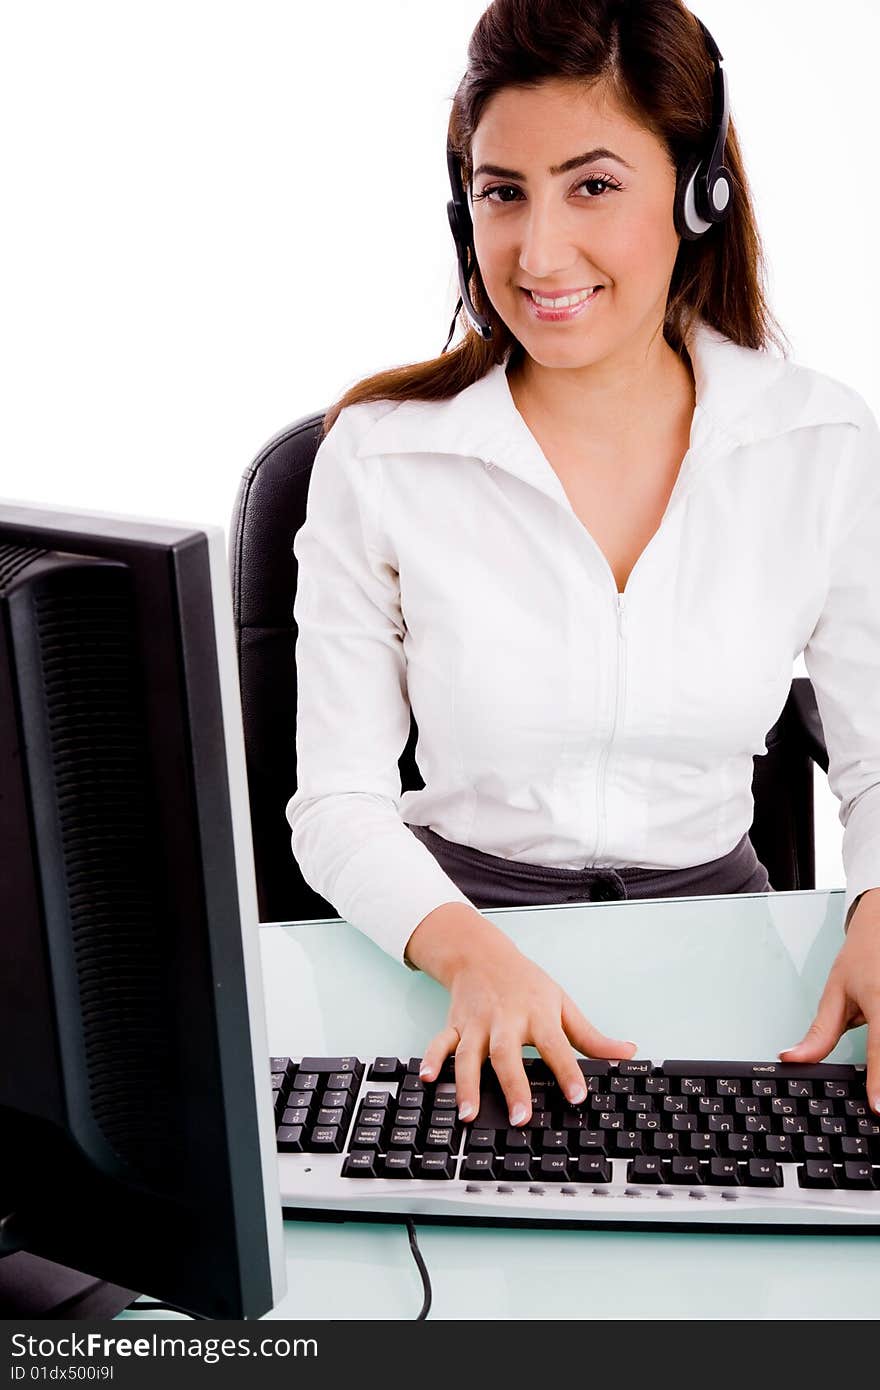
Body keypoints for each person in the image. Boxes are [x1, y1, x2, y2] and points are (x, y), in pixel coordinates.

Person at [286, 0, 880, 1129]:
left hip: (725, 952)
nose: (538, 251)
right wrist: (464, 950)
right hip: (448, 937)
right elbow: (337, 802)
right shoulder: (382, 456)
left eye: (592, 185)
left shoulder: (821, 445)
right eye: (502, 191)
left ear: (698, 191)